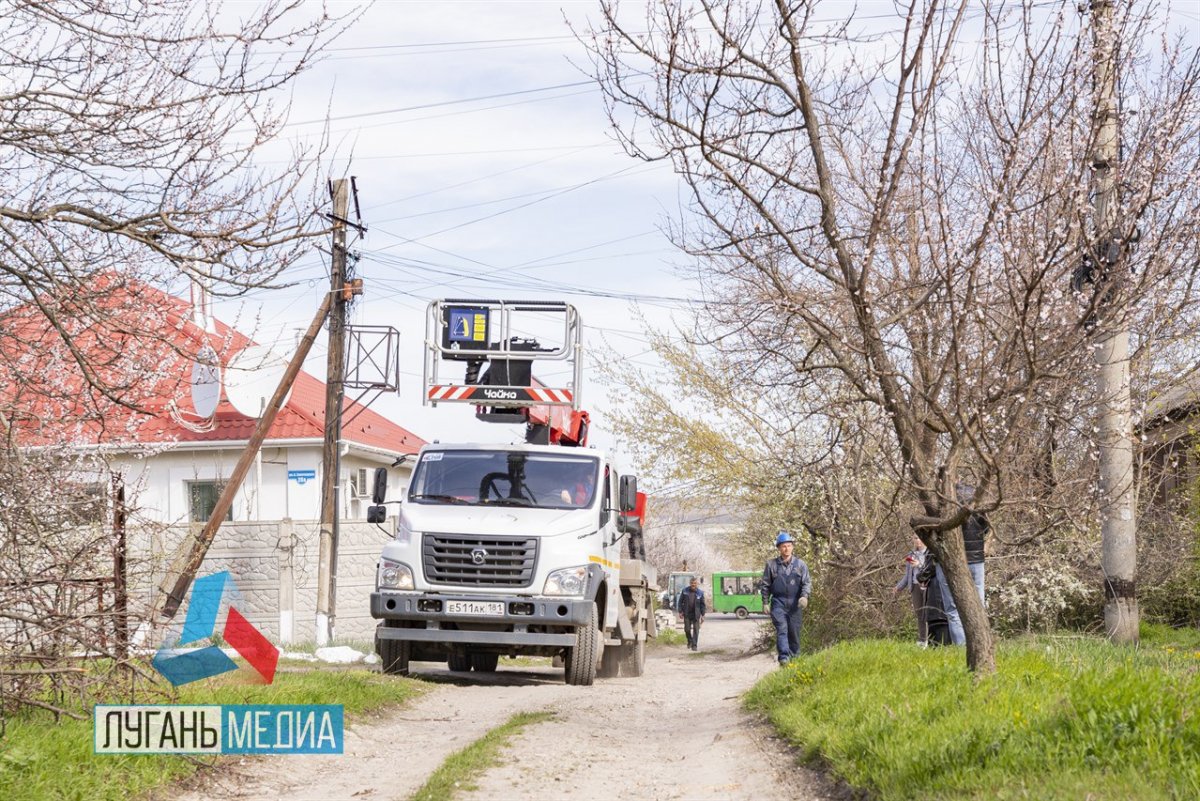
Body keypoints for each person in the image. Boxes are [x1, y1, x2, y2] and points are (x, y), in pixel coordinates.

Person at [935, 484, 990, 645]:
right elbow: (985, 526)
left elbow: (935, 530)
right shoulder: (975, 497)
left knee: (953, 609)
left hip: (951, 560)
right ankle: (980, 645)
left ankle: (961, 648)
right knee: (978, 604)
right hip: (976, 559)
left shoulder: (941, 499)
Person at [760, 531, 812, 665]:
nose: (786, 548)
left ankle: (795, 657)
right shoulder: (771, 565)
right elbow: (765, 585)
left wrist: (804, 596)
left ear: (792, 547)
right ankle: (784, 657)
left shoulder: (801, 565)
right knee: (782, 629)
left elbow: (806, 582)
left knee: (794, 632)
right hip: (778, 603)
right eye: (783, 546)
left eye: (789, 545)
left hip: (795, 604)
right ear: (779, 548)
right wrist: (765, 602)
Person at [892, 534, 928, 646]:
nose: (918, 541)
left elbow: (931, 570)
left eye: (920, 538)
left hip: (927, 585)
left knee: (928, 613)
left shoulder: (930, 553)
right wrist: (899, 587)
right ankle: (922, 639)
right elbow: (907, 575)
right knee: (919, 613)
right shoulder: (911, 555)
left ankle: (931, 639)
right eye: (915, 538)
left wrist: (919, 564)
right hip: (915, 586)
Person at [917, 552, 951, 646]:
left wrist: (920, 577)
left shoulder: (934, 549)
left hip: (937, 591)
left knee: (938, 620)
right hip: (943, 588)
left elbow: (930, 567)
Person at [676, 576, 706, 651]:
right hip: (687, 614)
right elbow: (680, 602)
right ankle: (690, 641)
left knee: (696, 630)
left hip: (696, 614)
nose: (693, 585)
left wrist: (703, 615)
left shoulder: (700, 593)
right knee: (687, 629)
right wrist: (680, 611)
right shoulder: (685, 591)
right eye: (692, 583)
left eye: (695, 583)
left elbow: (702, 605)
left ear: (697, 584)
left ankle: (694, 645)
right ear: (690, 583)